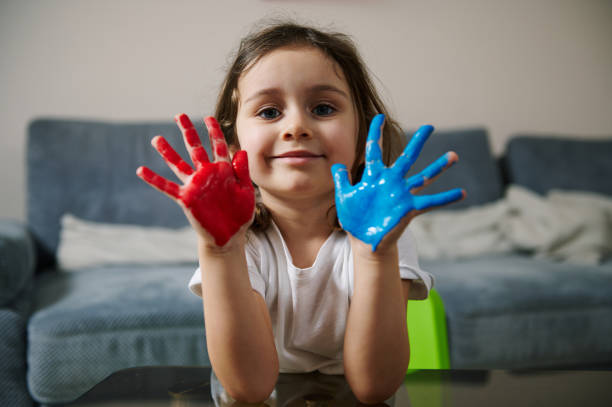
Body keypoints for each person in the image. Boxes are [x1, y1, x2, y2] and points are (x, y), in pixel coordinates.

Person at [136, 21, 464, 404]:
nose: (296, 127)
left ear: (360, 140)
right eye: (270, 111)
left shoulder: (382, 230)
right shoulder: (235, 237)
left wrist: (374, 256)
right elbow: (250, 389)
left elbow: (374, 388)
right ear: (232, 144)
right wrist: (219, 251)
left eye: (323, 108)